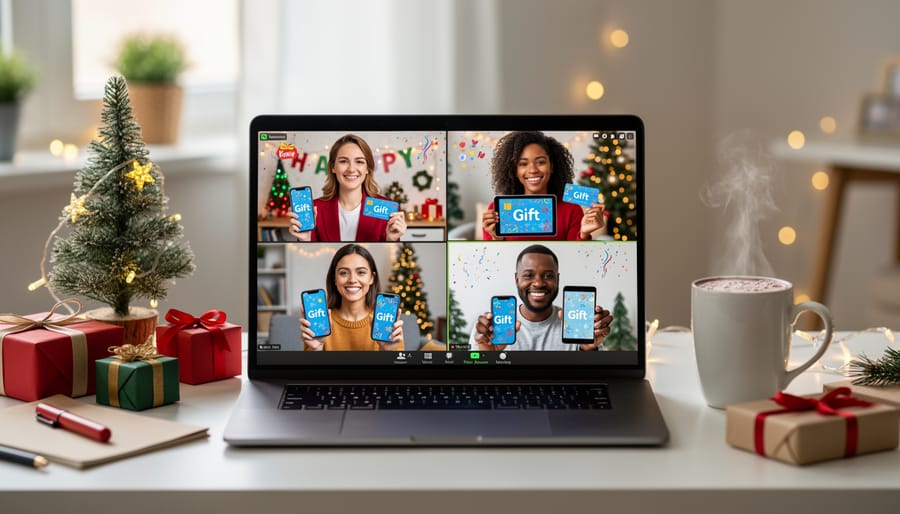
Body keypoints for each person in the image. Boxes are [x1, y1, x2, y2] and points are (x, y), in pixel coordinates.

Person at [468, 244, 612, 351]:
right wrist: (487, 357)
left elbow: (595, 378)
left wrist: (588, 351)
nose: (538, 283)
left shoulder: (578, 326)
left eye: (548, 276)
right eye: (528, 275)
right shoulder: (489, 328)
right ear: (517, 279)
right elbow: (472, 382)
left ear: (557, 279)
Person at [482, 131, 606, 241]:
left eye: (540, 162)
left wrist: (583, 234)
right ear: (514, 170)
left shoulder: (571, 210)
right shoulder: (497, 211)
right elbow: (495, 261)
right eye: (523, 164)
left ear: (551, 166)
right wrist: (495, 238)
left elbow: (578, 259)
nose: (533, 170)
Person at [288, 134, 407, 242]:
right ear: (333, 167)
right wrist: (305, 240)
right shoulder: (314, 210)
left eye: (359, 162)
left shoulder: (386, 209)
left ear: (367, 169)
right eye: (344, 161)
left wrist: (391, 240)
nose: (351, 169)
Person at [300, 244, 404, 351]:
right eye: (343, 273)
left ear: (372, 278)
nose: (352, 280)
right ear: (334, 279)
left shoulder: (386, 323)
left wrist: (386, 351)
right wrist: (317, 348)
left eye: (361, 272)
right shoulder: (321, 323)